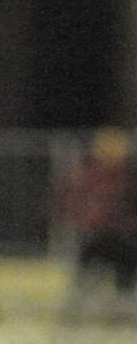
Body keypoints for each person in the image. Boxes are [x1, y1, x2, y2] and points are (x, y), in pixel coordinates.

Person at [59, 126, 137, 316]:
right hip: (94, 233)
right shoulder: (87, 175)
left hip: (122, 234)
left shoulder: (128, 177)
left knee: (127, 256)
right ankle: (80, 299)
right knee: (88, 258)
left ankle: (123, 298)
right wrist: (81, 222)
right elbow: (71, 202)